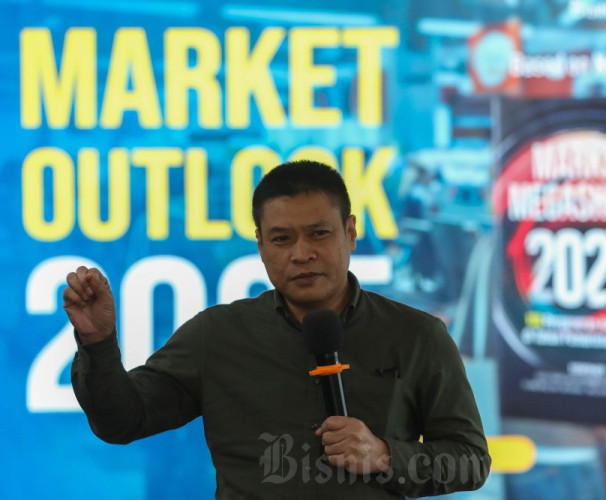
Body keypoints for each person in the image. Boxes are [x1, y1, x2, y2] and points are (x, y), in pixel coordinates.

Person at [64, 160, 491, 499]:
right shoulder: (218, 335)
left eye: (319, 234)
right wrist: (97, 343)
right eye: (282, 239)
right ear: (261, 246)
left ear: (350, 232)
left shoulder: (416, 335)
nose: (301, 254)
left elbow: (470, 461)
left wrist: (385, 455)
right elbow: (122, 421)